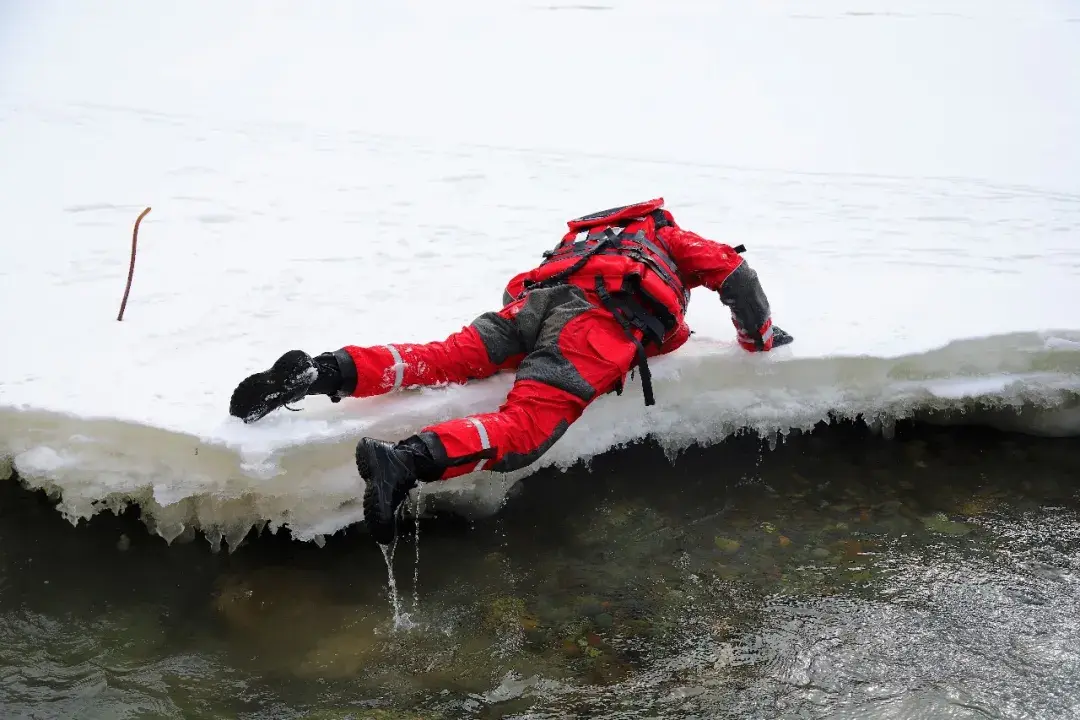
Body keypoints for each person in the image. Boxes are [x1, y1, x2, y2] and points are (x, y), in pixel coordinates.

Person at [228, 198, 793, 544]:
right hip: (592, 327)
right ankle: (403, 462)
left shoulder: (585, 243)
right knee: (525, 426)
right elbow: (735, 275)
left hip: (531, 306)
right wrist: (760, 339)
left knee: (445, 357)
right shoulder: (666, 237)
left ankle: (322, 371)